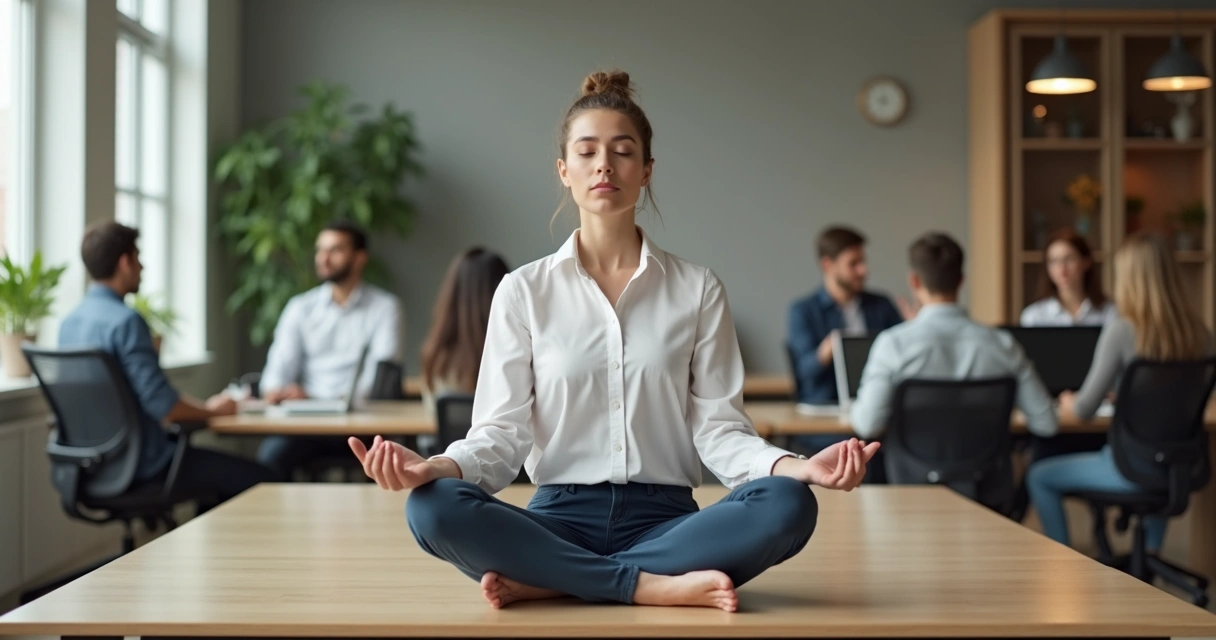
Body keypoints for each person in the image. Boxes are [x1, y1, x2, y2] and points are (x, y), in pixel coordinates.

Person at [347, 70, 880, 612]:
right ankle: (648, 586)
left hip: (668, 523)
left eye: (623, 151)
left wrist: (800, 467)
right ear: (565, 171)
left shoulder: (697, 288)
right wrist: (434, 468)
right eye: (587, 152)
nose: (605, 164)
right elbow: (500, 436)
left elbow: (721, 433)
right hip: (556, 520)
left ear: (646, 170)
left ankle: (557, 582)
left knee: (788, 504)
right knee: (431, 508)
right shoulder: (523, 290)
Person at [60, 221, 274, 506]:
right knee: (267, 480)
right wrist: (212, 410)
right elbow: (165, 407)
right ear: (125, 262)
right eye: (138, 258)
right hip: (144, 466)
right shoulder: (126, 322)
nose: (142, 267)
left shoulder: (69, 324)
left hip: (90, 467)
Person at [1026, 233, 1213, 553]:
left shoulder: (1122, 330)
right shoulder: (1202, 334)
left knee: (1040, 475)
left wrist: (1072, 401)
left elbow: (1084, 410)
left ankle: (1063, 563)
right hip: (1182, 466)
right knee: (1162, 457)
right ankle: (1151, 560)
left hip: (1130, 466)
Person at [849, 232, 1058, 510]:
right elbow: (1046, 422)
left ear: (914, 282)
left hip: (911, 490)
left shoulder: (893, 344)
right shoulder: (1002, 344)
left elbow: (866, 424)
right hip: (986, 490)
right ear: (961, 280)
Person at [255, 220, 405, 479]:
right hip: (306, 425)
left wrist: (314, 399)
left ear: (359, 258)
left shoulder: (384, 308)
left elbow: (378, 381)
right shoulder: (300, 308)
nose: (323, 258)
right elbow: (274, 376)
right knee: (269, 462)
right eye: (320, 250)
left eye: (335, 250)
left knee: (388, 468)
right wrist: (278, 391)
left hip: (363, 424)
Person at [787, 227, 904, 406]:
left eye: (863, 261)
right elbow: (803, 373)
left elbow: (902, 358)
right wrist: (826, 351)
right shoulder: (803, 311)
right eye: (853, 263)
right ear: (827, 264)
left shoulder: (882, 305)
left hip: (877, 407)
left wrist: (914, 328)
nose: (863, 270)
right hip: (825, 411)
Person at [416, 247, 509, 455]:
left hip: (455, 469)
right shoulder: (517, 348)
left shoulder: (436, 355)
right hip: (515, 469)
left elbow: (433, 413)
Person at [1021, 228, 1116, 326]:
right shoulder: (1034, 317)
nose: (1062, 269)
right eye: (1054, 261)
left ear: (1086, 262)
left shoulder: (1110, 312)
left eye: (1069, 259)